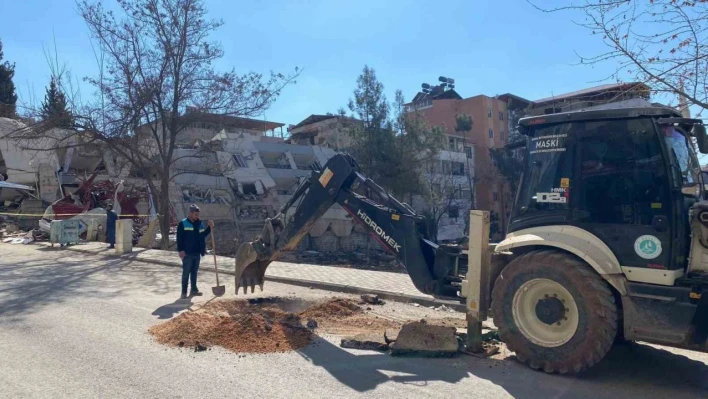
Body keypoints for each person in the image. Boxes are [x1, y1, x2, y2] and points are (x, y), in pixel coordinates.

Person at [176, 204, 214, 299]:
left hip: (197, 252)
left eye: (198, 214)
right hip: (187, 253)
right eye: (196, 214)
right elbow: (179, 239)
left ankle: (194, 289)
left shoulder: (199, 223)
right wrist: (181, 250)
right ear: (190, 213)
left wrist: (209, 227)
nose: (197, 216)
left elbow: (202, 235)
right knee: (186, 272)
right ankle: (184, 291)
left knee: (194, 271)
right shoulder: (183, 223)